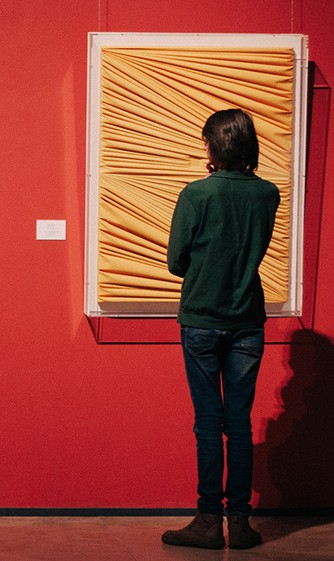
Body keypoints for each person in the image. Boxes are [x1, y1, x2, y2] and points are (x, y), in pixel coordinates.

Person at [162, 108, 279, 550]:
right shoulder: (267, 194)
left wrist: (203, 269)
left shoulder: (196, 194)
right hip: (247, 319)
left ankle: (209, 521)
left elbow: (177, 261)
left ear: (215, 144)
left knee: (209, 423)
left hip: (202, 318)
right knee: (240, 424)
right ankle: (241, 524)